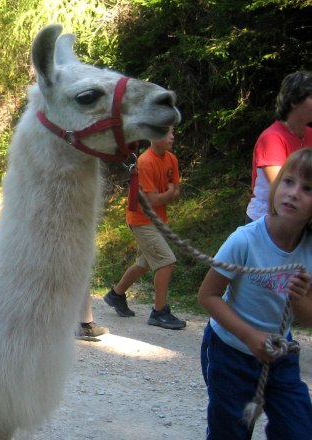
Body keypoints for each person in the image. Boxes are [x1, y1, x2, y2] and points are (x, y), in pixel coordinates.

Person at [198, 148, 312, 439]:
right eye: (288, 182)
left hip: (279, 353)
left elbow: (307, 319)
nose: (294, 193)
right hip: (230, 351)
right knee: (231, 431)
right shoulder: (244, 240)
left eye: (308, 188)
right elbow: (208, 296)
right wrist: (250, 337)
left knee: (299, 429)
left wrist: (299, 299)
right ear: (275, 187)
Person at [103, 129, 186, 329]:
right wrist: (167, 193)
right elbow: (152, 199)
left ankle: (116, 295)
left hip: (157, 220)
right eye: (166, 133)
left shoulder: (171, 159)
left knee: (144, 263)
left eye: (173, 133)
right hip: (141, 220)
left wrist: (165, 194)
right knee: (166, 262)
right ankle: (159, 312)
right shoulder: (145, 162)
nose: (172, 137)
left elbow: (176, 192)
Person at [246, 70, 312, 222]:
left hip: (298, 220)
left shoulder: (310, 134)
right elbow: (281, 188)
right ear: (294, 101)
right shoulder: (272, 138)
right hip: (266, 222)